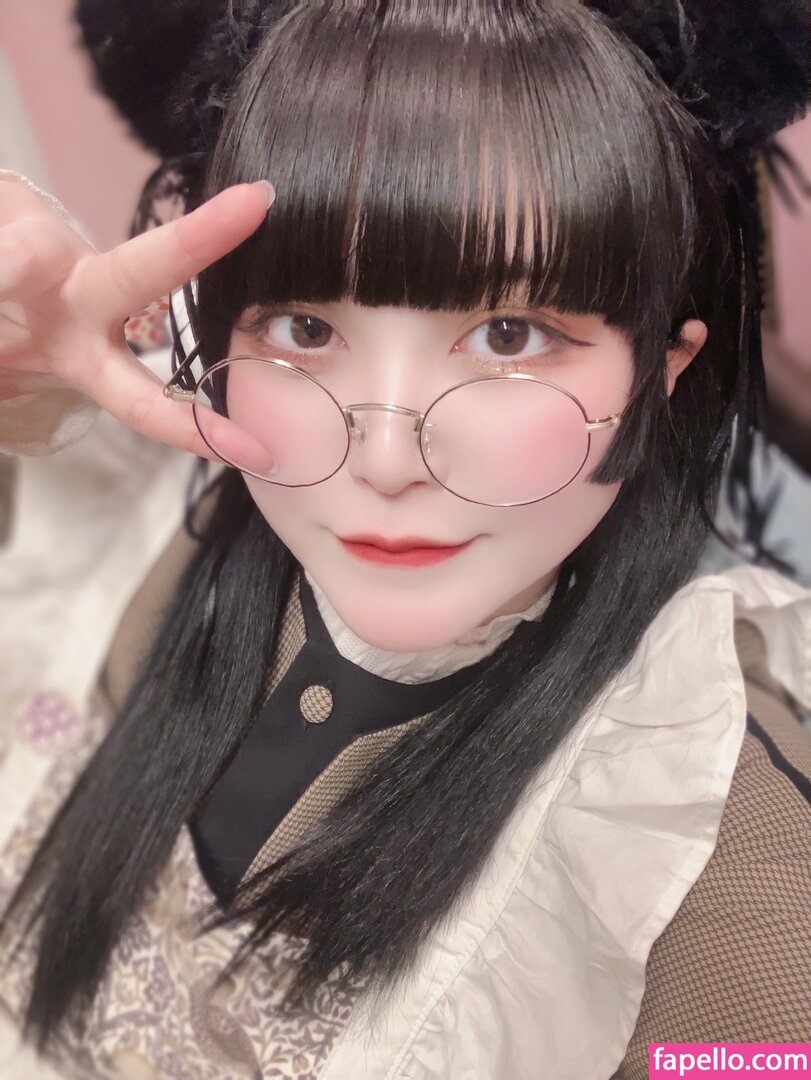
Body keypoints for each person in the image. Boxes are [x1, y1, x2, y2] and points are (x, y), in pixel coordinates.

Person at [0, 3, 809, 1078]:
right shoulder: (130, 515)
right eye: (305, 328)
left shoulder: (709, 843)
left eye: (509, 336)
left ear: (663, 368)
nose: (385, 460)